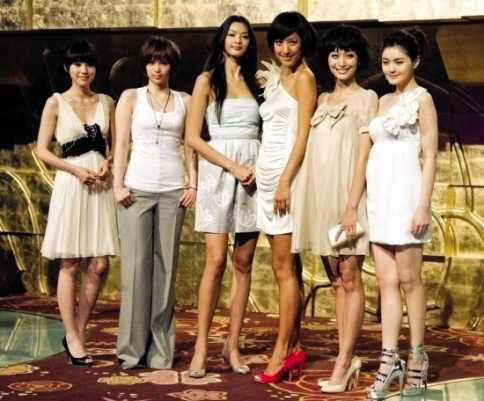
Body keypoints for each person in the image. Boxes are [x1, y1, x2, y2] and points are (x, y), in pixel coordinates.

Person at [292, 25, 378, 393]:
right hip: (319, 198)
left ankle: (343, 362)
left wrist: (352, 206)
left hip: (348, 200)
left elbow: (363, 157)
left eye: (349, 55)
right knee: (337, 280)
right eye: (334, 54)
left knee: (350, 275)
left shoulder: (367, 98)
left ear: (359, 59)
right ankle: (348, 357)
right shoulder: (322, 99)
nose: (341, 62)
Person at [113, 36, 196, 369]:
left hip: (174, 190)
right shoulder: (130, 97)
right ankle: (131, 350)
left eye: (162, 62)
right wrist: (117, 184)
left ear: (172, 65)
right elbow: (121, 144)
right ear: (144, 65)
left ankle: (161, 352)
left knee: (166, 271)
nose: (157, 68)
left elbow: (190, 146)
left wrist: (193, 182)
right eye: (151, 62)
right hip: (136, 189)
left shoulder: (185, 100)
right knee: (135, 271)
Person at [186, 15, 260, 378]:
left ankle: (232, 344)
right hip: (220, 169)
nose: (238, 40)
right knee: (215, 261)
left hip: (254, 172)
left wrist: (259, 166)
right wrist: (232, 166)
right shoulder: (206, 80)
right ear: (222, 39)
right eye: (232, 34)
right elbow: (193, 137)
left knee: (243, 261)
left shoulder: (258, 81)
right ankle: (201, 346)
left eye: (244, 36)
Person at [365, 28, 437, 399]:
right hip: (380, 197)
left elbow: (430, 156)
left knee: (410, 280)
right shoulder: (380, 101)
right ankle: (389, 360)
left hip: (408, 197)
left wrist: (423, 204)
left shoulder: (423, 100)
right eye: (386, 62)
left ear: (415, 62)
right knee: (386, 282)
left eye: (399, 62)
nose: (391, 68)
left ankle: (418, 357)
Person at [37, 40, 118, 366]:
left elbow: (117, 146)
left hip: (101, 184)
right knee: (70, 262)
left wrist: (108, 163)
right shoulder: (56, 103)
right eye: (77, 64)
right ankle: (71, 334)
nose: (84, 70)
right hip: (72, 184)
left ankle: (79, 332)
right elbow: (42, 150)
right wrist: (75, 171)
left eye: (89, 64)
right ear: (67, 68)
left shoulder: (107, 102)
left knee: (99, 263)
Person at [254, 11, 317, 384]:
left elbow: (303, 135)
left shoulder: (305, 79)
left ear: (302, 42)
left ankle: (282, 352)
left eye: (292, 41)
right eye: (279, 42)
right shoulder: (278, 77)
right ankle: (293, 345)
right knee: (287, 268)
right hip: (266, 179)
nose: (285, 49)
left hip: (285, 181)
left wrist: (285, 182)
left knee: (283, 269)